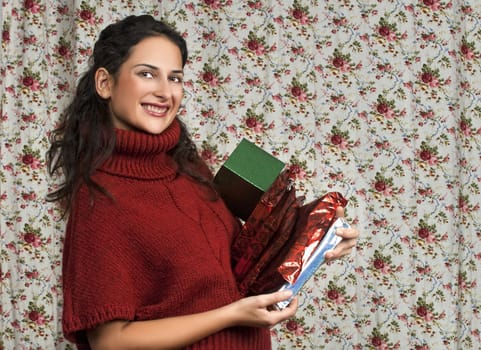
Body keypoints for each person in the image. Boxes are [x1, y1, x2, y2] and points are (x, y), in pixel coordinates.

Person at [47, 14, 359, 350]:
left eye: (175, 78)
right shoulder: (100, 199)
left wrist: (321, 235)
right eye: (147, 73)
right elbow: (109, 342)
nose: (165, 92)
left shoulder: (189, 167)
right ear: (105, 83)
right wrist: (230, 315)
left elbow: (246, 256)